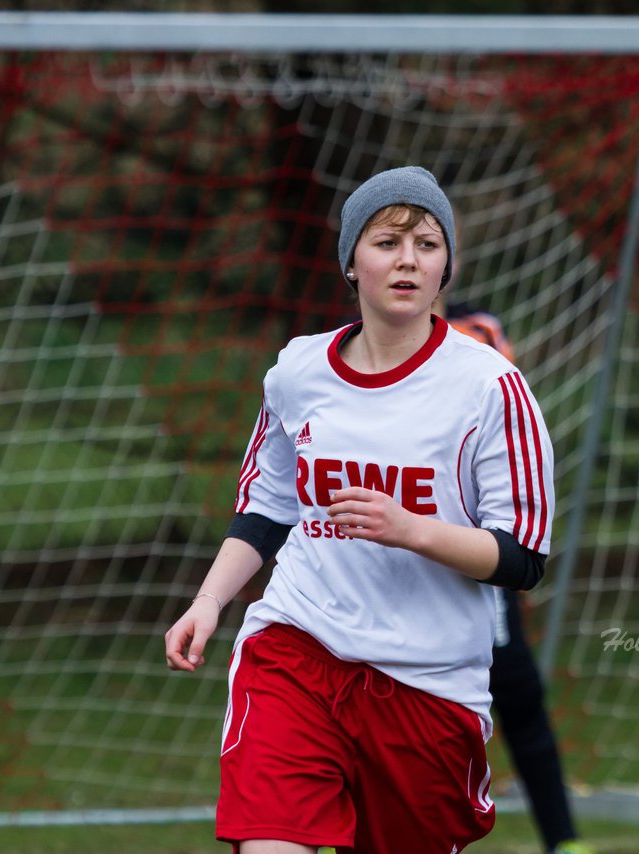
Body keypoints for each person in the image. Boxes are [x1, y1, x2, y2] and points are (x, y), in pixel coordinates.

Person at [164, 165, 556, 854]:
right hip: (298, 649)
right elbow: (265, 506)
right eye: (387, 241)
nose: (408, 259)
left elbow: (524, 558)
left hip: (426, 684)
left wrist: (414, 531)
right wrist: (207, 601)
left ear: (447, 269)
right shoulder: (298, 372)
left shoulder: (491, 387)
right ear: (351, 260)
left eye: (428, 244)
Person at [446, 302, 593, 854]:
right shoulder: (354, 354)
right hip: (396, 570)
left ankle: (563, 840)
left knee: (518, 694)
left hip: (480, 567)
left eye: (429, 246)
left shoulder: (478, 337)